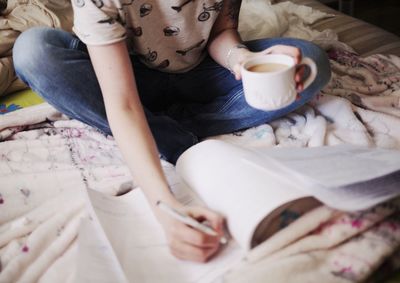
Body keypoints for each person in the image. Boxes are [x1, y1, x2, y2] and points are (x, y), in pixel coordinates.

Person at [13, 0, 331, 262]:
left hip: (202, 73)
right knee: (33, 51)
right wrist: (164, 206)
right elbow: (121, 102)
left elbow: (222, 31)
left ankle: (161, 125)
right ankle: (174, 137)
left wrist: (244, 60)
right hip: (123, 75)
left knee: (309, 63)